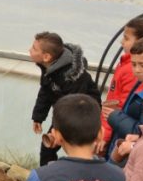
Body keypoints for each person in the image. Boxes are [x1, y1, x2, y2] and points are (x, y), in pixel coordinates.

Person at [29, 32, 100, 166]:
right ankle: (49, 180)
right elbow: (45, 92)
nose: (29, 50)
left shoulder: (72, 77)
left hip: (84, 116)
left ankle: (81, 179)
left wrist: (57, 130)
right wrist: (38, 117)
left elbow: (72, 106)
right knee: (48, 147)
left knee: (78, 151)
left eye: (34, 48)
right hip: (65, 112)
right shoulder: (50, 68)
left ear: (46, 56)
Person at [99, 18, 143, 154]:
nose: (121, 42)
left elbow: (120, 109)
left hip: (122, 137)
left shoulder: (133, 72)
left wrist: (105, 135)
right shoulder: (131, 67)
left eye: (126, 38)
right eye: (135, 64)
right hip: (117, 130)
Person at [105, 36, 143, 165]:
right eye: (133, 64)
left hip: (131, 157)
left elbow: (142, 131)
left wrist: (114, 116)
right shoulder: (141, 82)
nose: (137, 70)